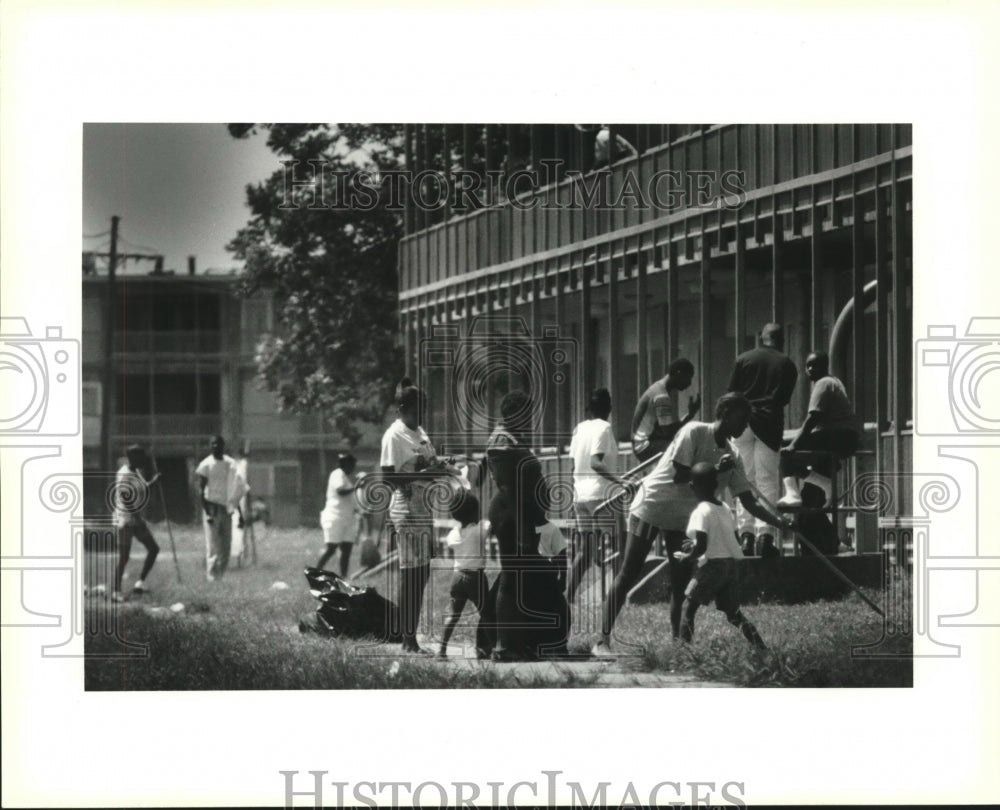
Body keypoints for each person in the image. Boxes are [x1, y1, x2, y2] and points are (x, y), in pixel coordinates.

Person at [594, 393, 791, 656]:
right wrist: (716, 469)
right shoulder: (694, 431)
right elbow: (679, 474)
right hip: (651, 506)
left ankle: (680, 647)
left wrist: (780, 522)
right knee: (629, 572)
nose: (746, 427)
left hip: (683, 520)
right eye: (743, 420)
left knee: (681, 582)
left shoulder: (733, 455)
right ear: (727, 412)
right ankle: (601, 641)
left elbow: (749, 502)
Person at [380, 381, 453, 654]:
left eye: (423, 410)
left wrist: (442, 466)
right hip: (407, 510)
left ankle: (411, 637)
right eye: (415, 410)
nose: (420, 415)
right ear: (401, 409)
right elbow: (387, 477)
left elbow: (428, 461)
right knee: (410, 575)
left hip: (424, 510)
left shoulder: (419, 431)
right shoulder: (394, 436)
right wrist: (424, 475)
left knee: (421, 575)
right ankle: (408, 640)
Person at [674, 463, 767, 650]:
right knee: (733, 613)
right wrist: (696, 546)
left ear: (692, 486)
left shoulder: (701, 511)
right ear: (716, 484)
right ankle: (760, 646)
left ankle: (682, 652)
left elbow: (701, 548)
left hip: (710, 567)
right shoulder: (724, 508)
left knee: (687, 607)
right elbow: (732, 538)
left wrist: (687, 557)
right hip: (731, 566)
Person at [778, 352, 861, 555]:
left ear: (825, 366)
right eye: (808, 366)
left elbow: (812, 419)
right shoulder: (833, 382)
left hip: (837, 436)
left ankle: (791, 493)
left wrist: (794, 445)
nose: (810, 370)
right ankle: (833, 543)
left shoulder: (823, 384)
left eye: (815, 366)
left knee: (783, 452)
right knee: (811, 505)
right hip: (842, 437)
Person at [727, 323, 798, 558]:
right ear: (781, 340)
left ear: (761, 337)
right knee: (767, 480)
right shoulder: (786, 363)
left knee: (744, 480)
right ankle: (765, 536)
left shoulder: (743, 359)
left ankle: (745, 535)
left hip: (742, 422)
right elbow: (784, 399)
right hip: (769, 424)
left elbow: (731, 393)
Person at [565, 388, 632, 604]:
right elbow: (596, 462)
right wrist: (621, 481)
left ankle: (568, 596)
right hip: (602, 495)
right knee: (617, 546)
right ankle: (618, 597)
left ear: (589, 409)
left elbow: (573, 465)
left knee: (585, 552)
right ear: (609, 409)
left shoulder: (579, 429)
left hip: (581, 496)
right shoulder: (604, 428)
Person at [438, 492, 491, 659]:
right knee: (487, 614)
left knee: (453, 614)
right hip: (476, 578)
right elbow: (493, 523)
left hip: (457, 577)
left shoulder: (453, 534)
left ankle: (441, 650)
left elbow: (452, 540)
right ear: (474, 513)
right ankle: (492, 648)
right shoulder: (479, 530)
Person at [111, 444, 161, 602]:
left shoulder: (137, 472)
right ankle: (115, 591)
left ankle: (140, 583)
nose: (143, 459)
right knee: (124, 556)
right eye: (140, 456)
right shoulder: (124, 474)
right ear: (132, 457)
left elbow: (143, 489)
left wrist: (154, 481)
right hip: (125, 519)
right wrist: (136, 516)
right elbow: (125, 497)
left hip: (135, 518)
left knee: (153, 549)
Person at [196, 435, 247, 581]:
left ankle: (219, 576)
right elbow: (201, 490)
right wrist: (207, 513)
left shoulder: (230, 464)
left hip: (226, 509)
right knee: (213, 546)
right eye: (213, 444)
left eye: (218, 444)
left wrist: (240, 515)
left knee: (226, 547)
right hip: (211, 508)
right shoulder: (206, 465)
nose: (215, 447)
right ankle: (212, 578)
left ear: (223, 446)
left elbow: (236, 490)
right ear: (210, 445)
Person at [631, 358, 701, 463]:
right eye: (688, 377)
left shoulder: (657, 388)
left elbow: (667, 431)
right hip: (645, 446)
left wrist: (690, 415)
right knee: (690, 450)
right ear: (678, 373)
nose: (689, 383)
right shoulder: (661, 396)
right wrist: (689, 416)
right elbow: (669, 433)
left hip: (643, 444)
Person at [317, 453, 359, 578]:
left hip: (347, 519)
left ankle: (344, 577)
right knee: (331, 548)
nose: (353, 468)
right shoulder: (337, 473)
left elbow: (350, 501)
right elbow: (340, 491)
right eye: (352, 465)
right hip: (335, 517)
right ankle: (316, 573)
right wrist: (357, 486)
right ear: (347, 464)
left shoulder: (345, 478)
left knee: (346, 550)